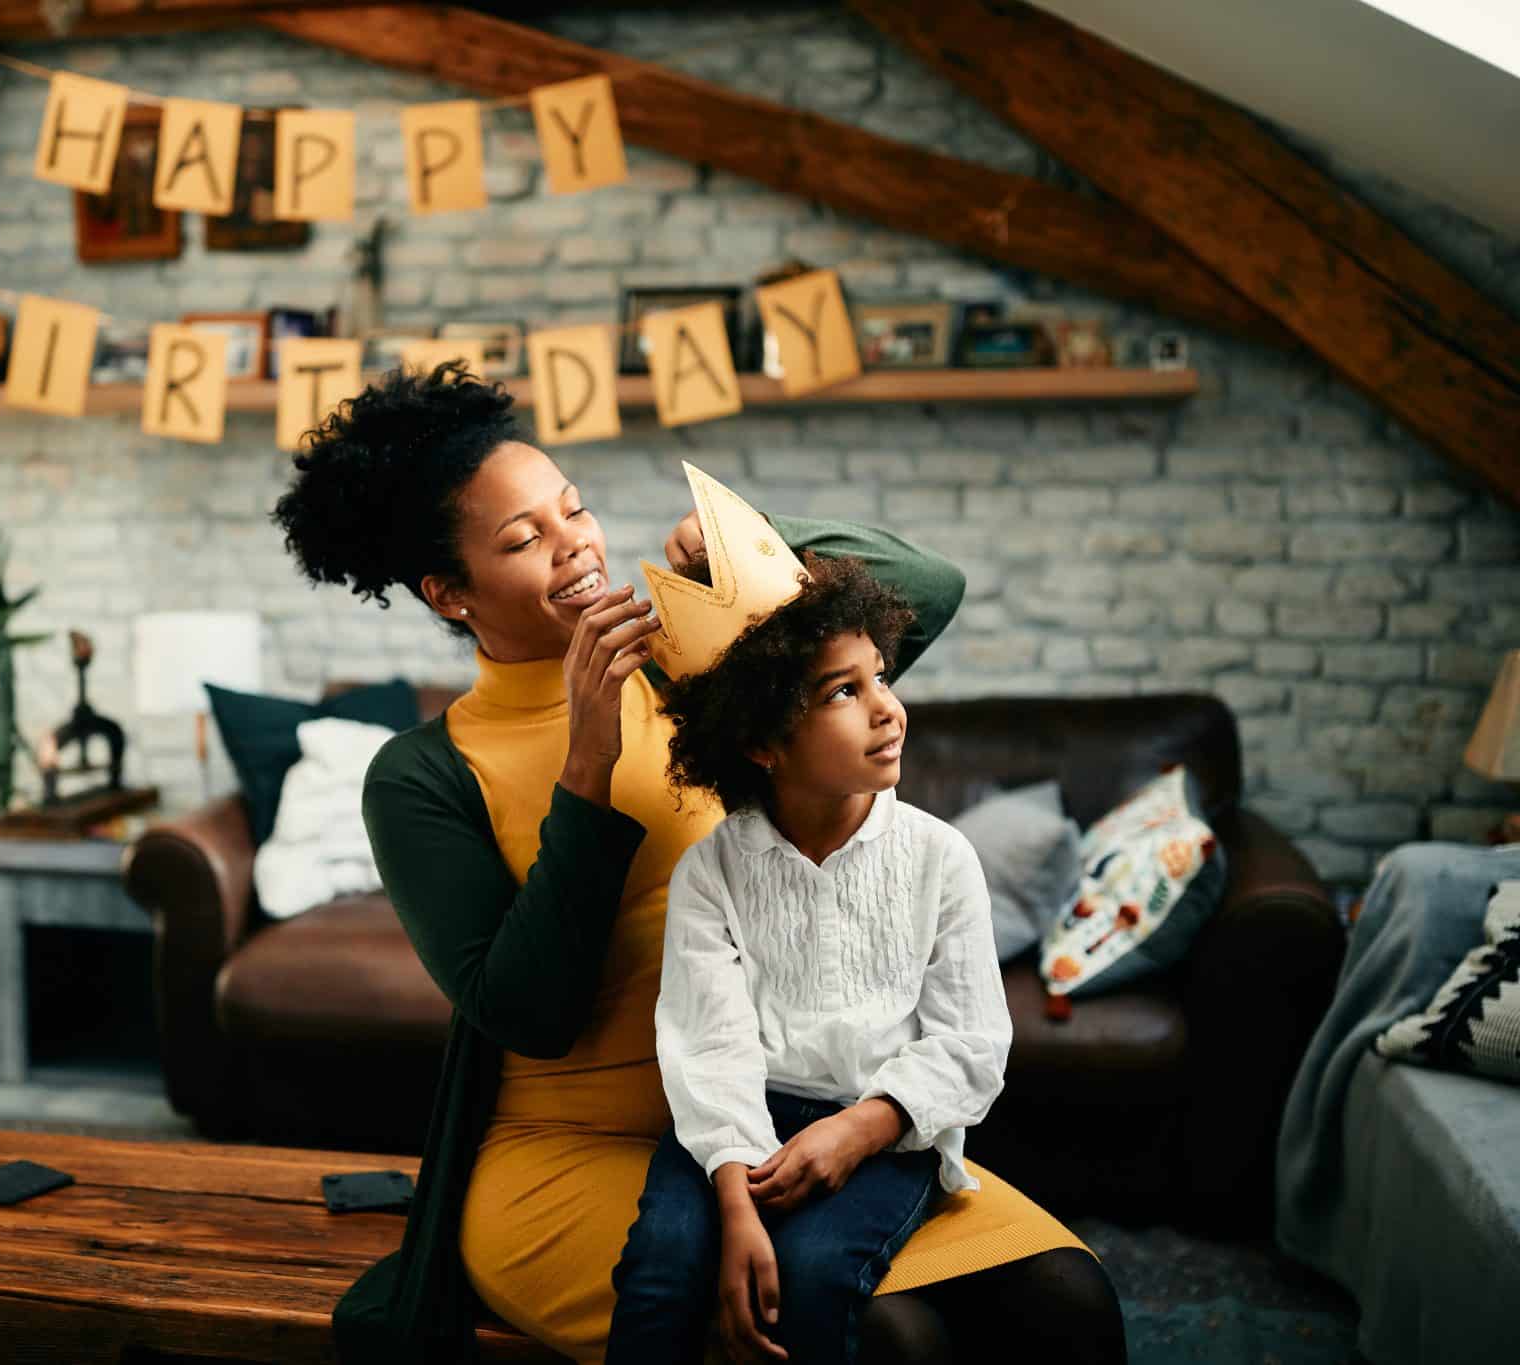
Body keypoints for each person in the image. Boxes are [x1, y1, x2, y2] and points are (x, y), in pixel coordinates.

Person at [269, 363, 1124, 1363]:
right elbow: (528, 1014)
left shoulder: (691, 672)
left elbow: (925, 595)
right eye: (520, 539)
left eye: (572, 510)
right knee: (893, 1338)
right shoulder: (420, 775)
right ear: (447, 593)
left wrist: (757, 547)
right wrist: (585, 767)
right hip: (577, 1158)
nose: (574, 547)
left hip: (785, 1115)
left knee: (1069, 1301)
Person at [605, 549, 1015, 1364]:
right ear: (763, 741)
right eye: (843, 691)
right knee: (660, 1275)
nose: (888, 711)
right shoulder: (713, 871)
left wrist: (860, 1129)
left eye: (881, 677)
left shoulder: (940, 857)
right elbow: (708, 1045)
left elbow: (972, 1044)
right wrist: (735, 1199)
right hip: (734, 1125)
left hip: (882, 1126)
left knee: (816, 1274)